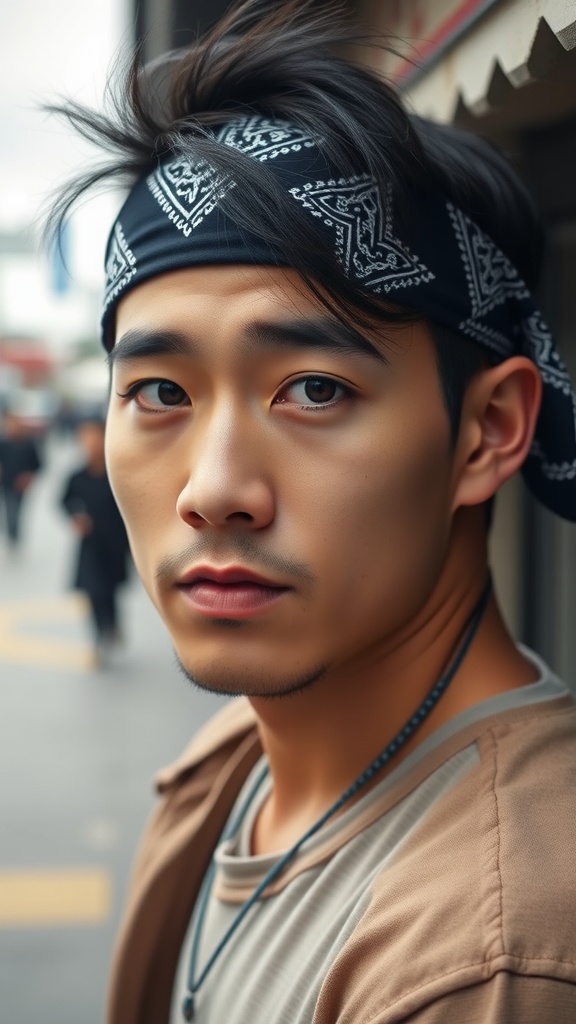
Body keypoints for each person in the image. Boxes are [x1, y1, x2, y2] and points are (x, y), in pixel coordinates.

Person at [47, 1, 576, 1021]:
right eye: (160, 393)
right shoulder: (238, 766)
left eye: (315, 390)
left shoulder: (497, 959)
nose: (214, 491)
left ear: (488, 430)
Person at [60, 414, 130, 662]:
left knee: (109, 591)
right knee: (92, 592)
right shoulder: (77, 476)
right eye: (84, 437)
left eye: (94, 436)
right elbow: (64, 500)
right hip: (89, 546)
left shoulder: (117, 476)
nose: (89, 442)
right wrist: (75, 516)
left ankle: (112, 624)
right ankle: (99, 636)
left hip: (115, 544)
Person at [0, 410, 42, 549]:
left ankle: (15, 533)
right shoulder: (4, 443)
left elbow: (38, 464)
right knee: (9, 508)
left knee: (17, 510)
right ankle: (11, 533)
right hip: (6, 482)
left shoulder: (28, 444)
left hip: (20, 485)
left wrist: (28, 476)